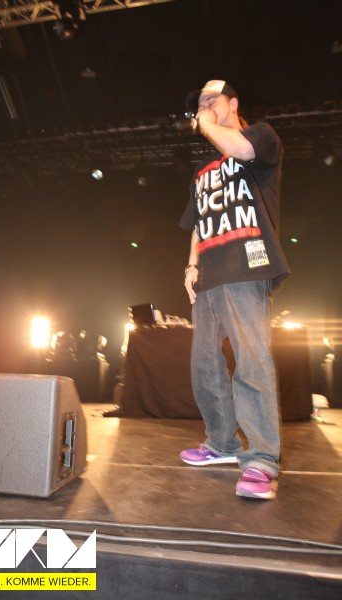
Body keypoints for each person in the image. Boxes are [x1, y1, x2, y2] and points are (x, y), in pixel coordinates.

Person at [179, 80, 291, 500]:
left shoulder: (260, 137)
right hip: (209, 271)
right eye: (200, 103)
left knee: (251, 359)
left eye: (212, 100)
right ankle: (222, 442)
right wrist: (191, 265)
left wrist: (207, 124)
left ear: (233, 103)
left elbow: (241, 150)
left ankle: (261, 458)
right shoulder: (203, 168)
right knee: (204, 363)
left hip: (247, 264)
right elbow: (198, 220)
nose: (205, 106)